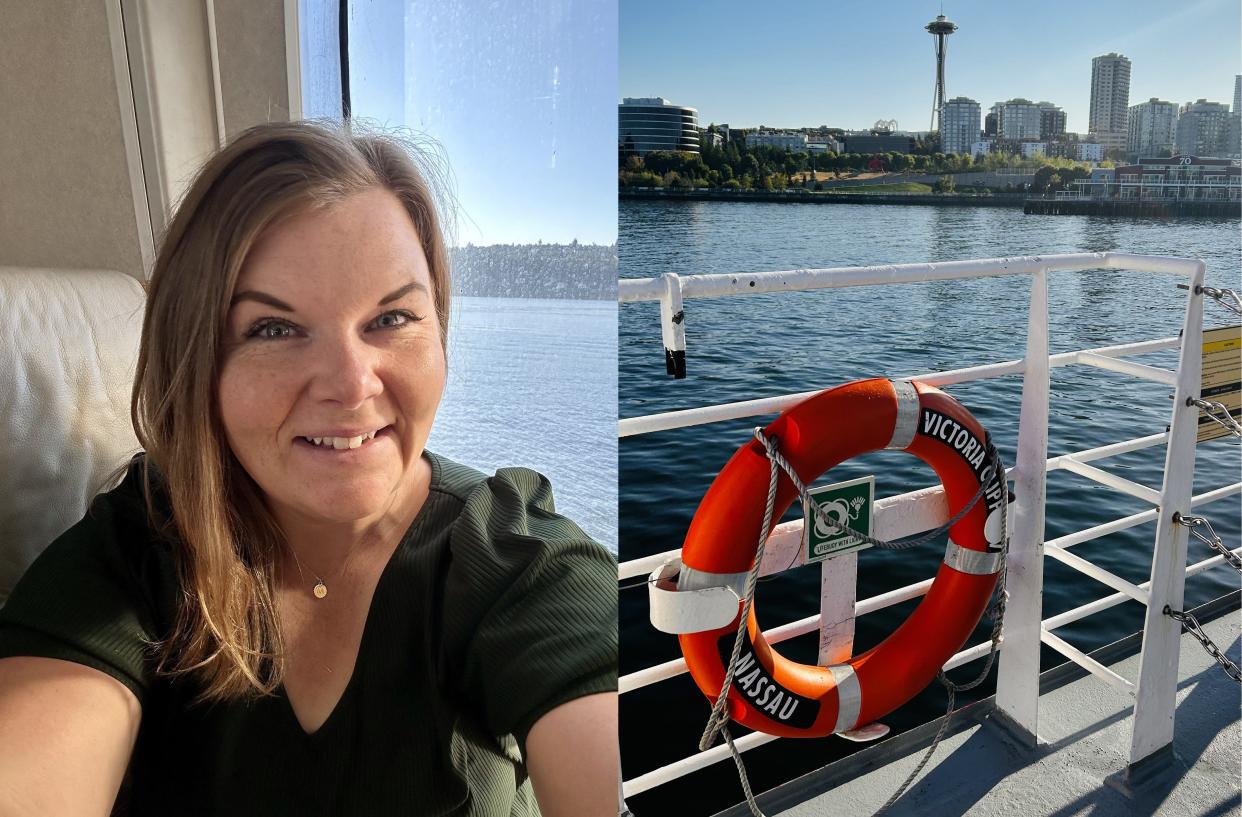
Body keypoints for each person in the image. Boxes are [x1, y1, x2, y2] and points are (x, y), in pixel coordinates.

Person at [0, 120, 618, 816]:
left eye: (391, 317)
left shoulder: (517, 560)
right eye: (273, 328)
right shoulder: (136, 553)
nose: (352, 385)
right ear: (198, 361)